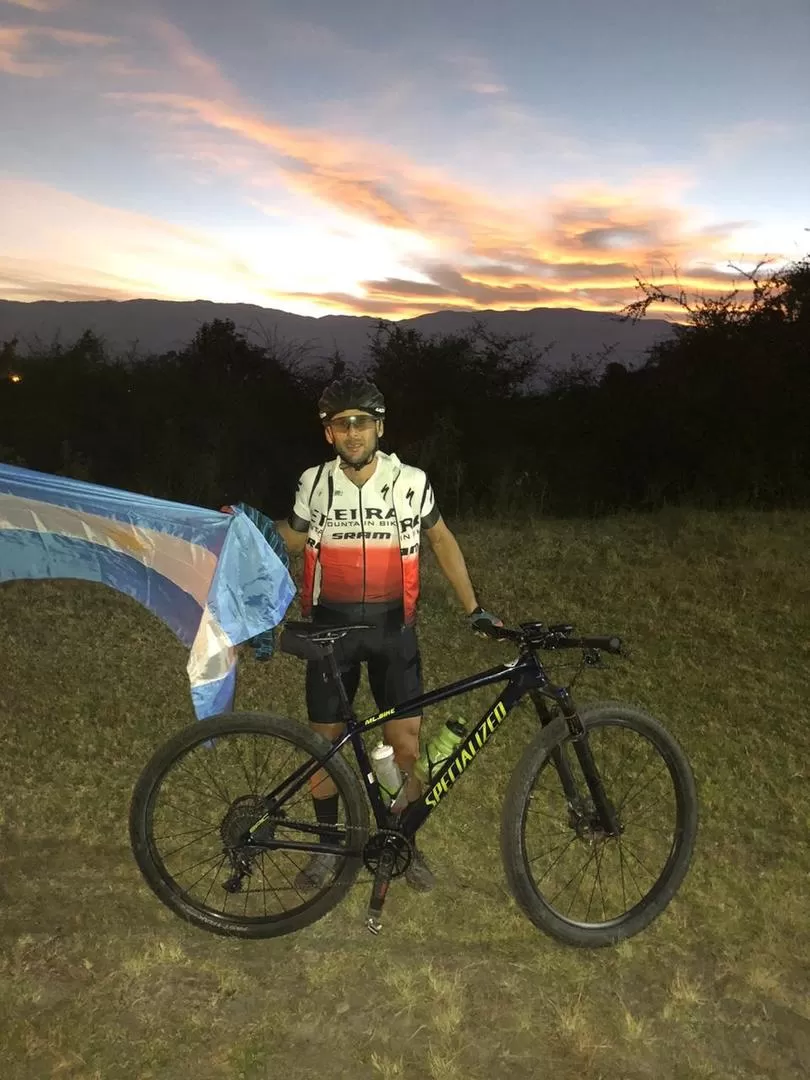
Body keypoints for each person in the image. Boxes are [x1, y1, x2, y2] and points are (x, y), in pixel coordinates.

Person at [272, 376, 501, 892]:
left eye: (362, 422)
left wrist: (475, 609)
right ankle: (327, 848)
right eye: (342, 424)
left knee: (405, 743)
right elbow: (293, 538)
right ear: (328, 433)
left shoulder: (411, 482)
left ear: (380, 427)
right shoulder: (314, 481)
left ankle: (402, 841)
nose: (352, 432)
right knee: (324, 744)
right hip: (331, 629)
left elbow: (441, 540)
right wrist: (249, 528)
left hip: (393, 629)